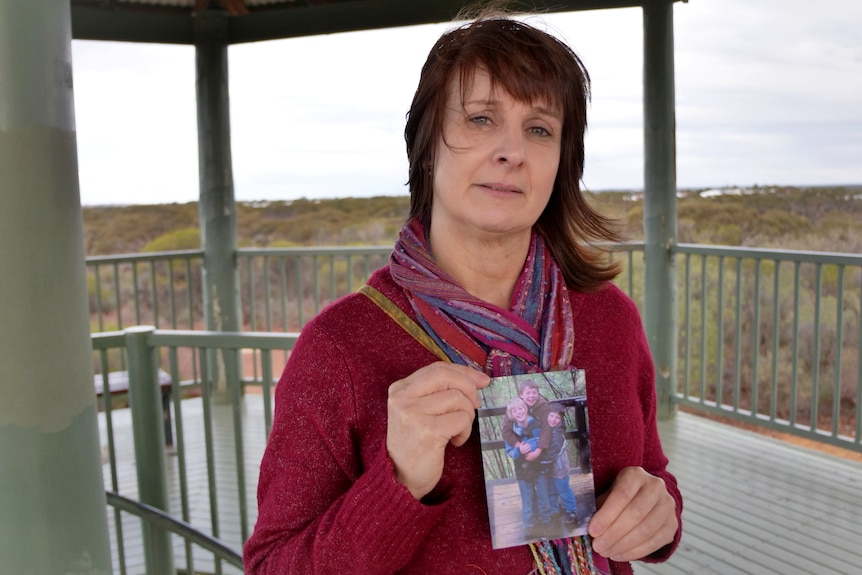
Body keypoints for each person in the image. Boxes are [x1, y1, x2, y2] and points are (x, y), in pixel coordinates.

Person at [244, 10, 682, 575]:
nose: (512, 151)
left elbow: (653, 476)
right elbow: (273, 566)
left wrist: (658, 513)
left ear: (560, 164)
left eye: (540, 128)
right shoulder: (340, 349)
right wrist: (398, 481)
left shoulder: (608, 319)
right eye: (480, 119)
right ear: (427, 147)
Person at [503, 397, 553, 540]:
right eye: (514, 411)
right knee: (527, 499)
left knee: (544, 497)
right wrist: (520, 451)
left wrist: (535, 447)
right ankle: (530, 527)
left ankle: (547, 524)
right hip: (523, 471)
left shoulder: (537, 424)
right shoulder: (510, 433)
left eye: (520, 408)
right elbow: (510, 453)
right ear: (511, 415)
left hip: (539, 468)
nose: (518, 412)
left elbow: (543, 443)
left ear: (525, 409)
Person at [542, 402, 581, 528]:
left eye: (557, 418)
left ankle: (572, 511)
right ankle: (554, 510)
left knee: (563, 490)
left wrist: (539, 462)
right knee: (551, 490)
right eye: (551, 416)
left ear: (561, 420)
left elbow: (552, 454)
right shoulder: (548, 429)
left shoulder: (557, 434)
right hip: (550, 469)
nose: (553, 419)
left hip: (559, 469)